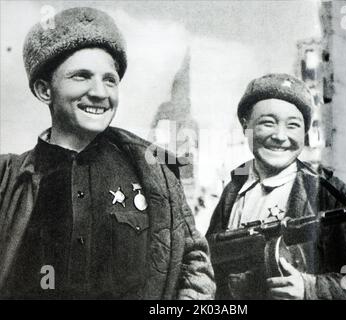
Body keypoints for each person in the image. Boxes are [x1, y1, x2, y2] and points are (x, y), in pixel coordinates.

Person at [0, 7, 215, 300]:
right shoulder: (8, 179)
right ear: (44, 90)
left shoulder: (155, 173)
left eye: (110, 79)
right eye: (81, 77)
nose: (100, 92)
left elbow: (194, 266)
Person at [206, 73, 346, 300]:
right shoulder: (234, 191)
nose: (280, 136)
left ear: (305, 133)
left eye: (293, 125)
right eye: (267, 123)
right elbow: (207, 266)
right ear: (246, 126)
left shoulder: (331, 194)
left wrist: (309, 288)